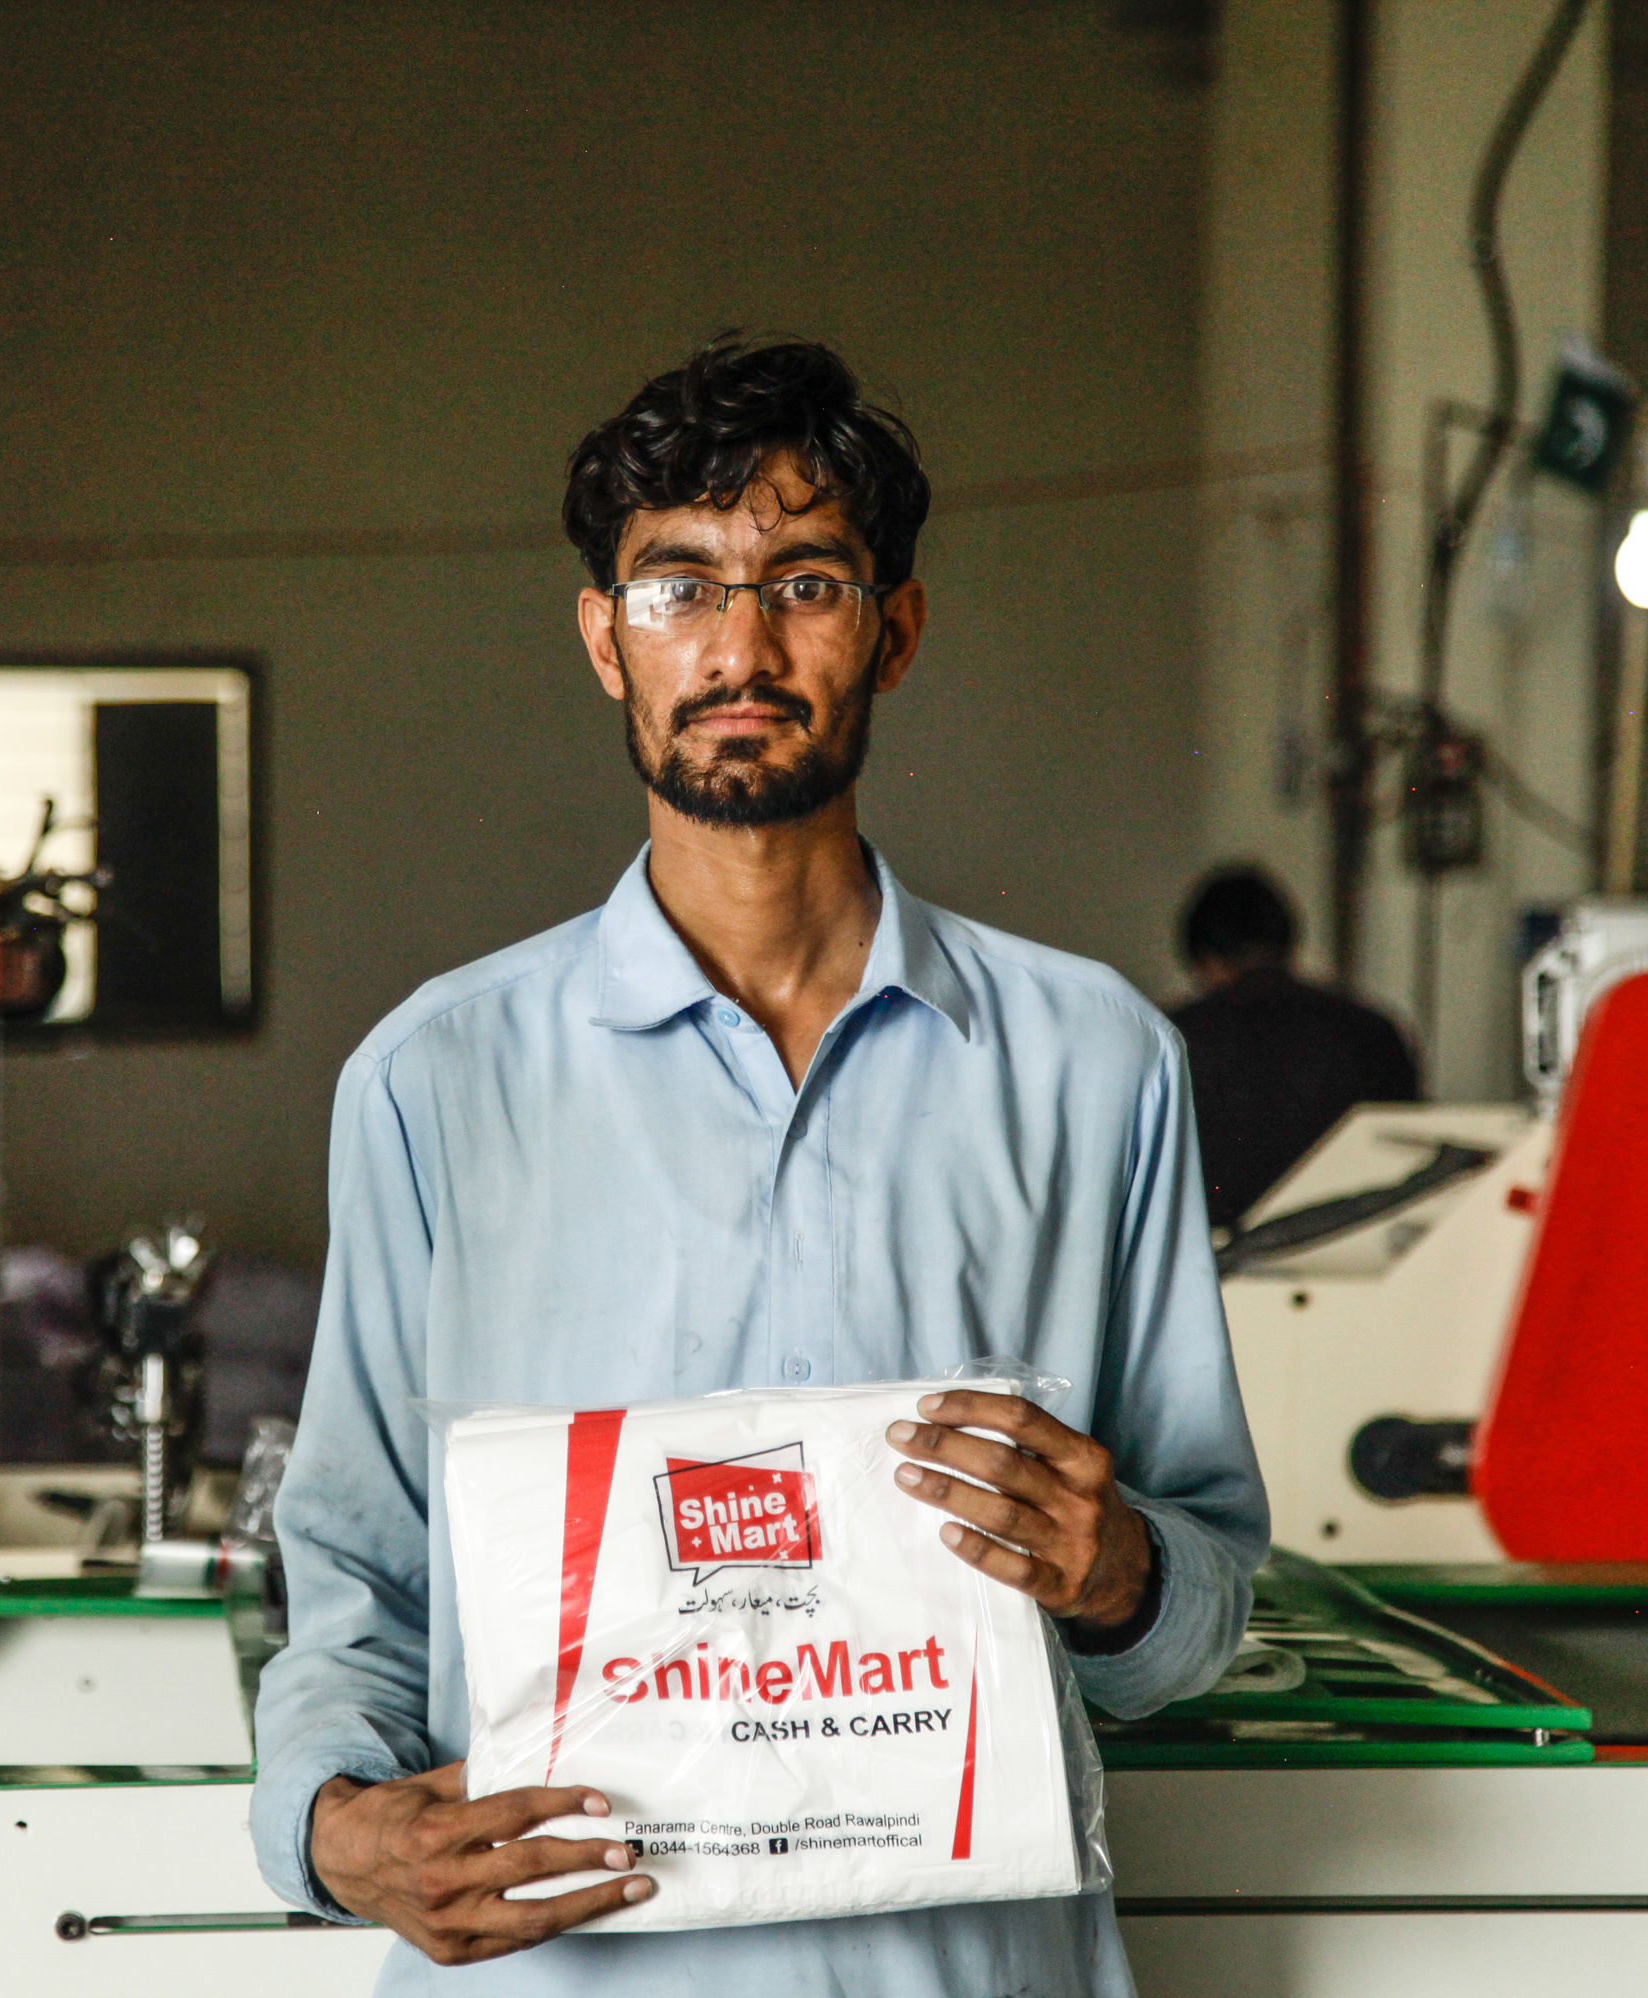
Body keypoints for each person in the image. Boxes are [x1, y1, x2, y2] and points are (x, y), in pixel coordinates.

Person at [249, 336, 1267, 1995]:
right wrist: (329, 1820)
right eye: (676, 588)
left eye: (806, 581)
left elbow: (1205, 1591)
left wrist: (1124, 1571)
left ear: (897, 628)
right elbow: (357, 1565)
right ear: (604, 639)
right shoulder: (439, 1077)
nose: (737, 644)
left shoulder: (1093, 1065)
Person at [1166, 865, 1423, 1232]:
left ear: (1202, 960)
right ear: (1288, 944)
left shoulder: (1169, 1039)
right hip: (1350, 1254)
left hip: (1210, 1262)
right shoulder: (1373, 1031)